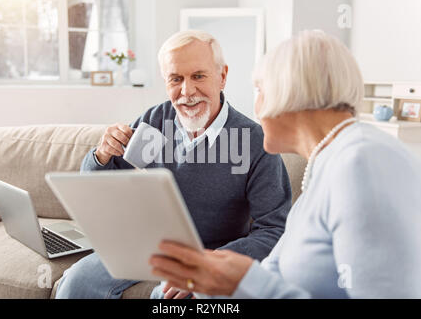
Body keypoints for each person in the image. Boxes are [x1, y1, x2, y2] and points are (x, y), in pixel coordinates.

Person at [149, 30, 421, 298]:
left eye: (259, 89)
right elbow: (274, 275)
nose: (255, 105)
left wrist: (243, 280)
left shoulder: (362, 162)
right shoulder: (326, 166)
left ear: (293, 92)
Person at [55, 30, 292, 299]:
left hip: (207, 256)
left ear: (222, 77)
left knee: (166, 298)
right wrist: (101, 156)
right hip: (145, 247)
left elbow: (275, 229)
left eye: (198, 76)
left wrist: (215, 262)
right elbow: (100, 187)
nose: (187, 91)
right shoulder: (155, 119)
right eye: (176, 79)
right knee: (75, 283)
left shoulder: (254, 141)